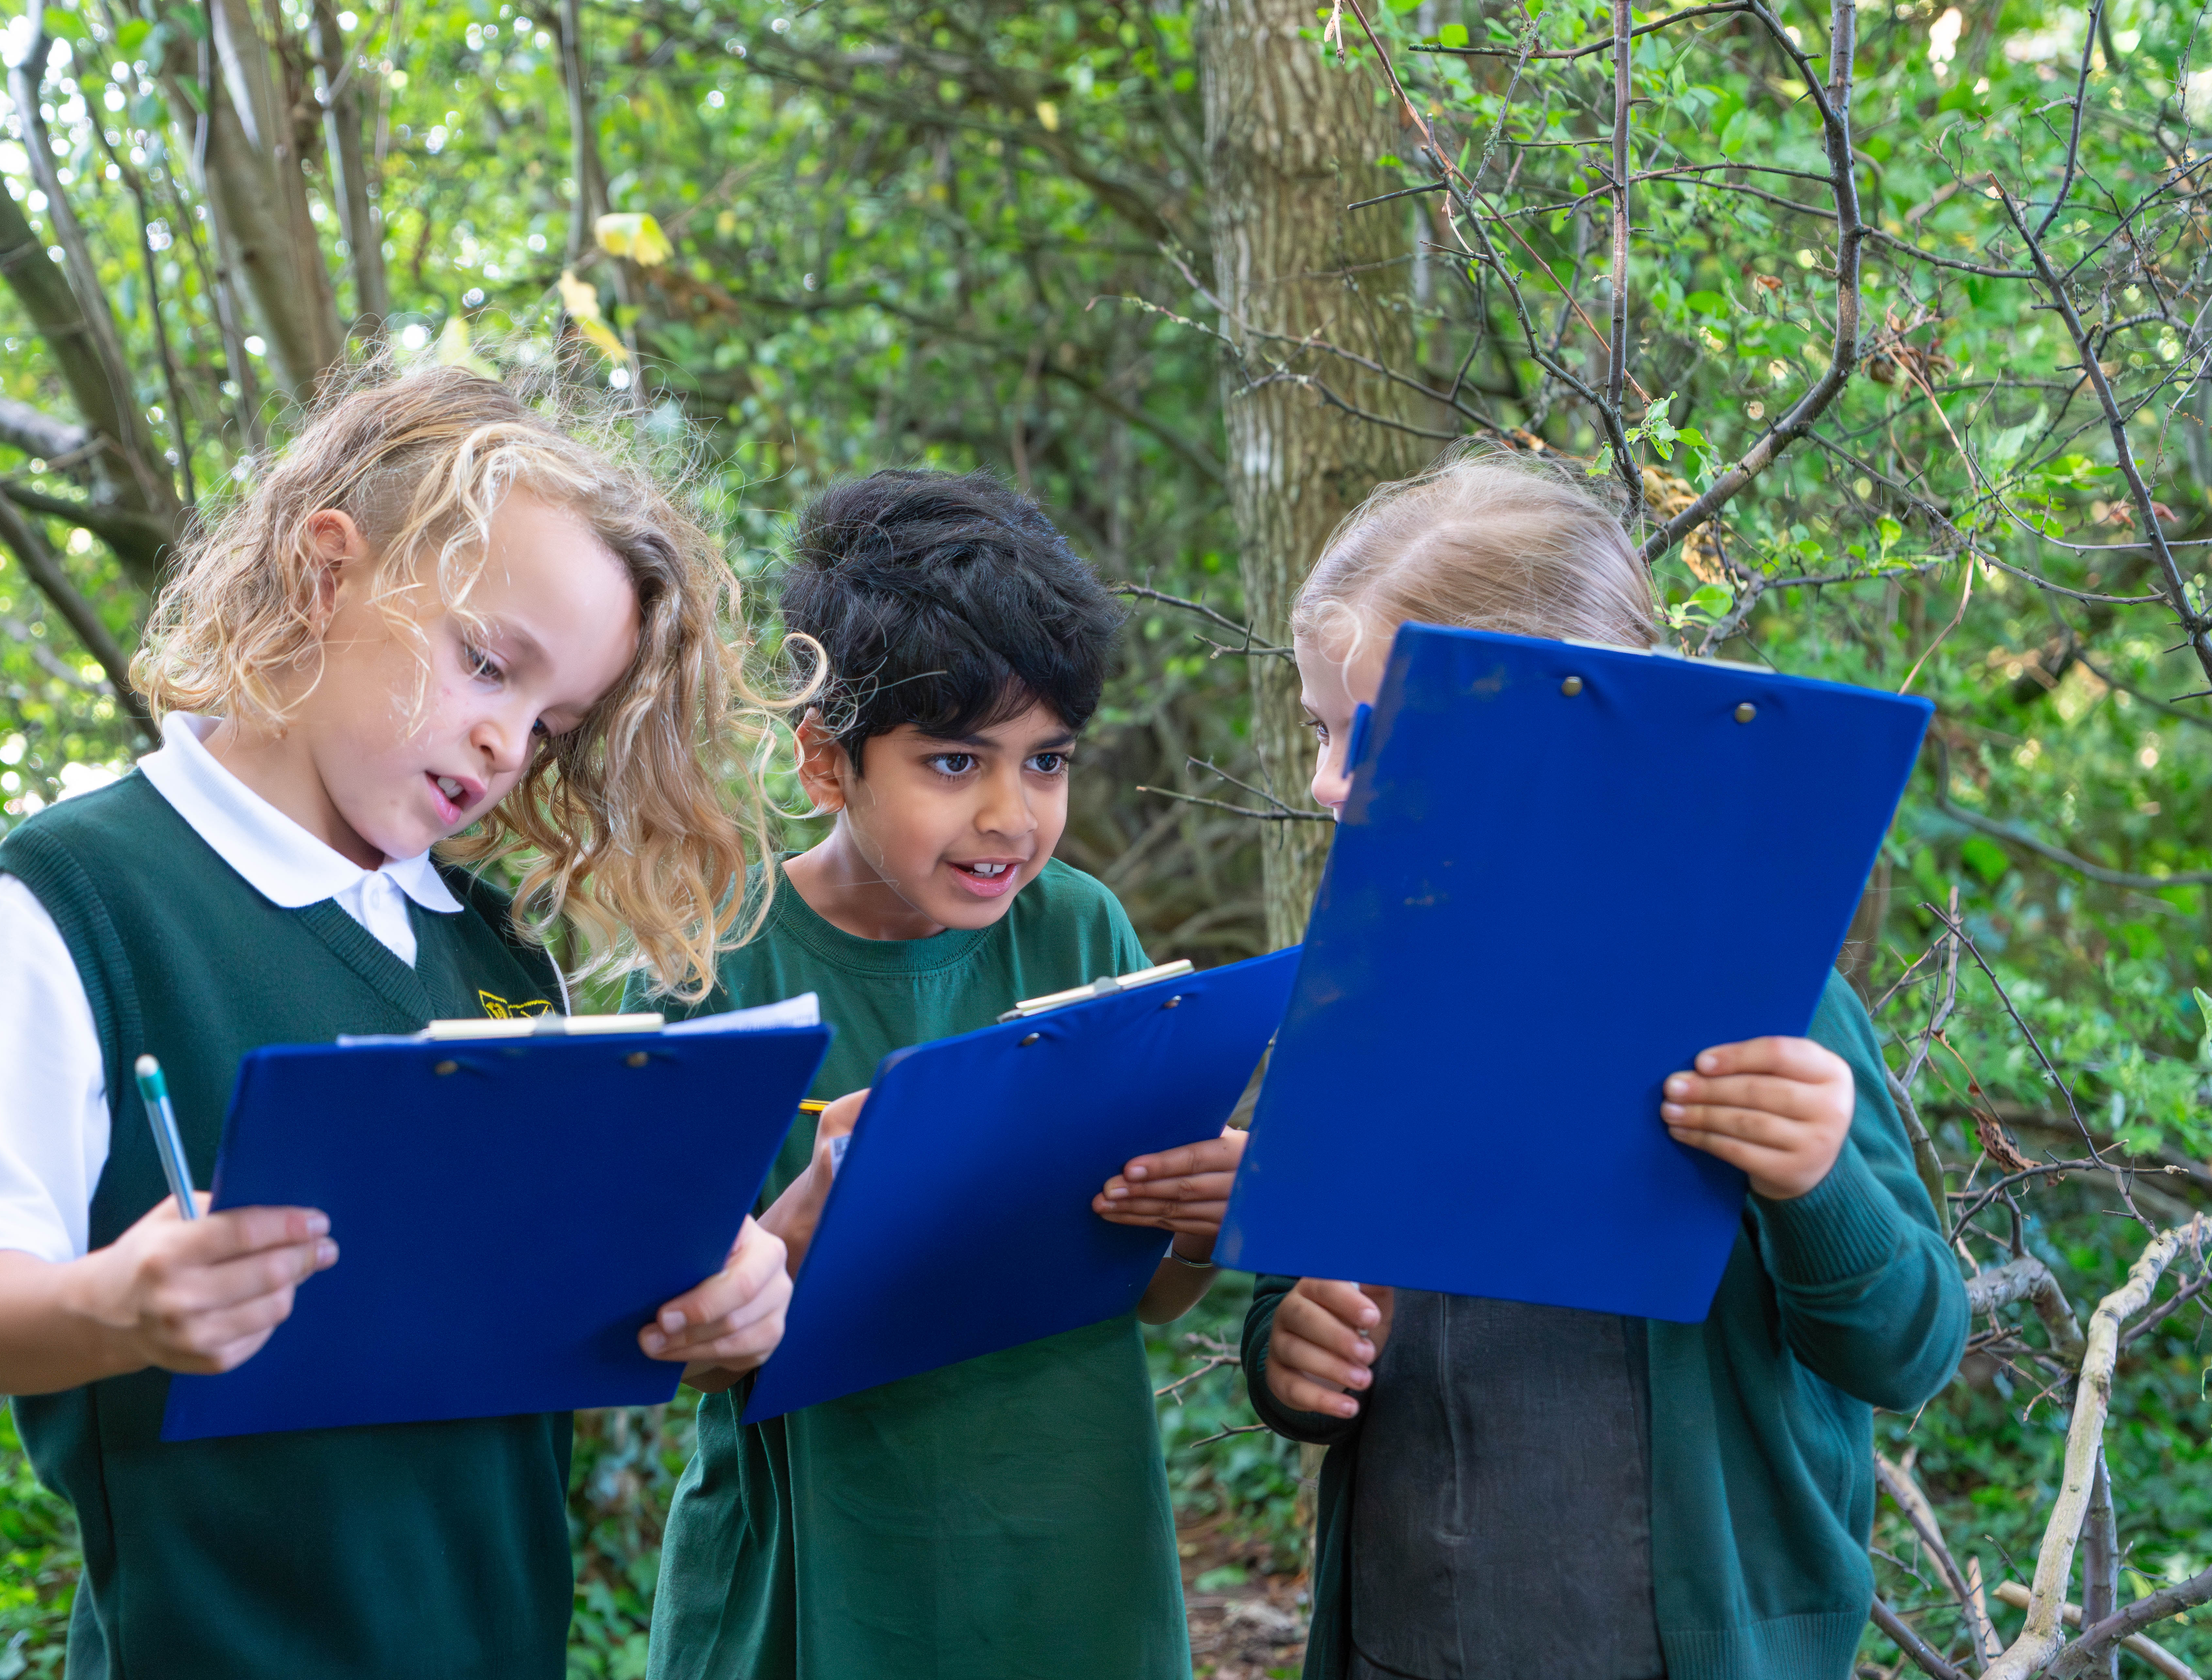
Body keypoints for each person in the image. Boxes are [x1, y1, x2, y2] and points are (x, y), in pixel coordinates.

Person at [0, 360, 796, 1680]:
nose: (506, 745)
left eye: (551, 726)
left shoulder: (497, 956)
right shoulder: (92, 890)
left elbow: (542, 1319)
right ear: (325, 574)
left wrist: (720, 1300)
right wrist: (116, 1303)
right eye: (487, 665)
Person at [1244, 444, 1969, 1680]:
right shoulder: (1366, 987)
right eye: (1319, 730)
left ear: (1553, 737)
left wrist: (1817, 1177)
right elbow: (1301, 1291)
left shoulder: (1764, 999)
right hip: (1410, 1644)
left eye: (1369, 737)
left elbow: (1908, 1346)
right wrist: (1290, 1349)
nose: (1324, 780)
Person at [637, 469, 1238, 1680]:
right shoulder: (715, 972)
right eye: (956, 762)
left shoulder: (1080, 933)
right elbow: (686, 1349)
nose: (1012, 816)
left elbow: (1142, 1293)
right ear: (826, 762)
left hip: (1071, 1561)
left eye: (1049, 760)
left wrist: (1198, 1223)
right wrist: (811, 1211)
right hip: (818, 1575)